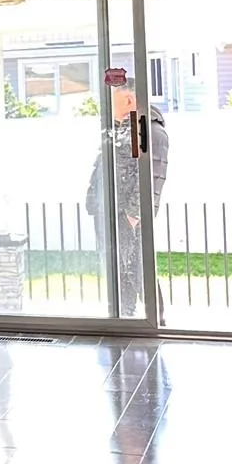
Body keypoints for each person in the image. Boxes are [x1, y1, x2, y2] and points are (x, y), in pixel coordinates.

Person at [85, 89, 169, 319]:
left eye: (114, 102)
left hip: (127, 215)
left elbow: (153, 176)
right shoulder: (123, 129)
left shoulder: (151, 132)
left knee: (138, 268)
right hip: (111, 211)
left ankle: (156, 318)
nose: (109, 107)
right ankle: (126, 316)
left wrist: (133, 214)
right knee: (121, 269)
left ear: (130, 99)